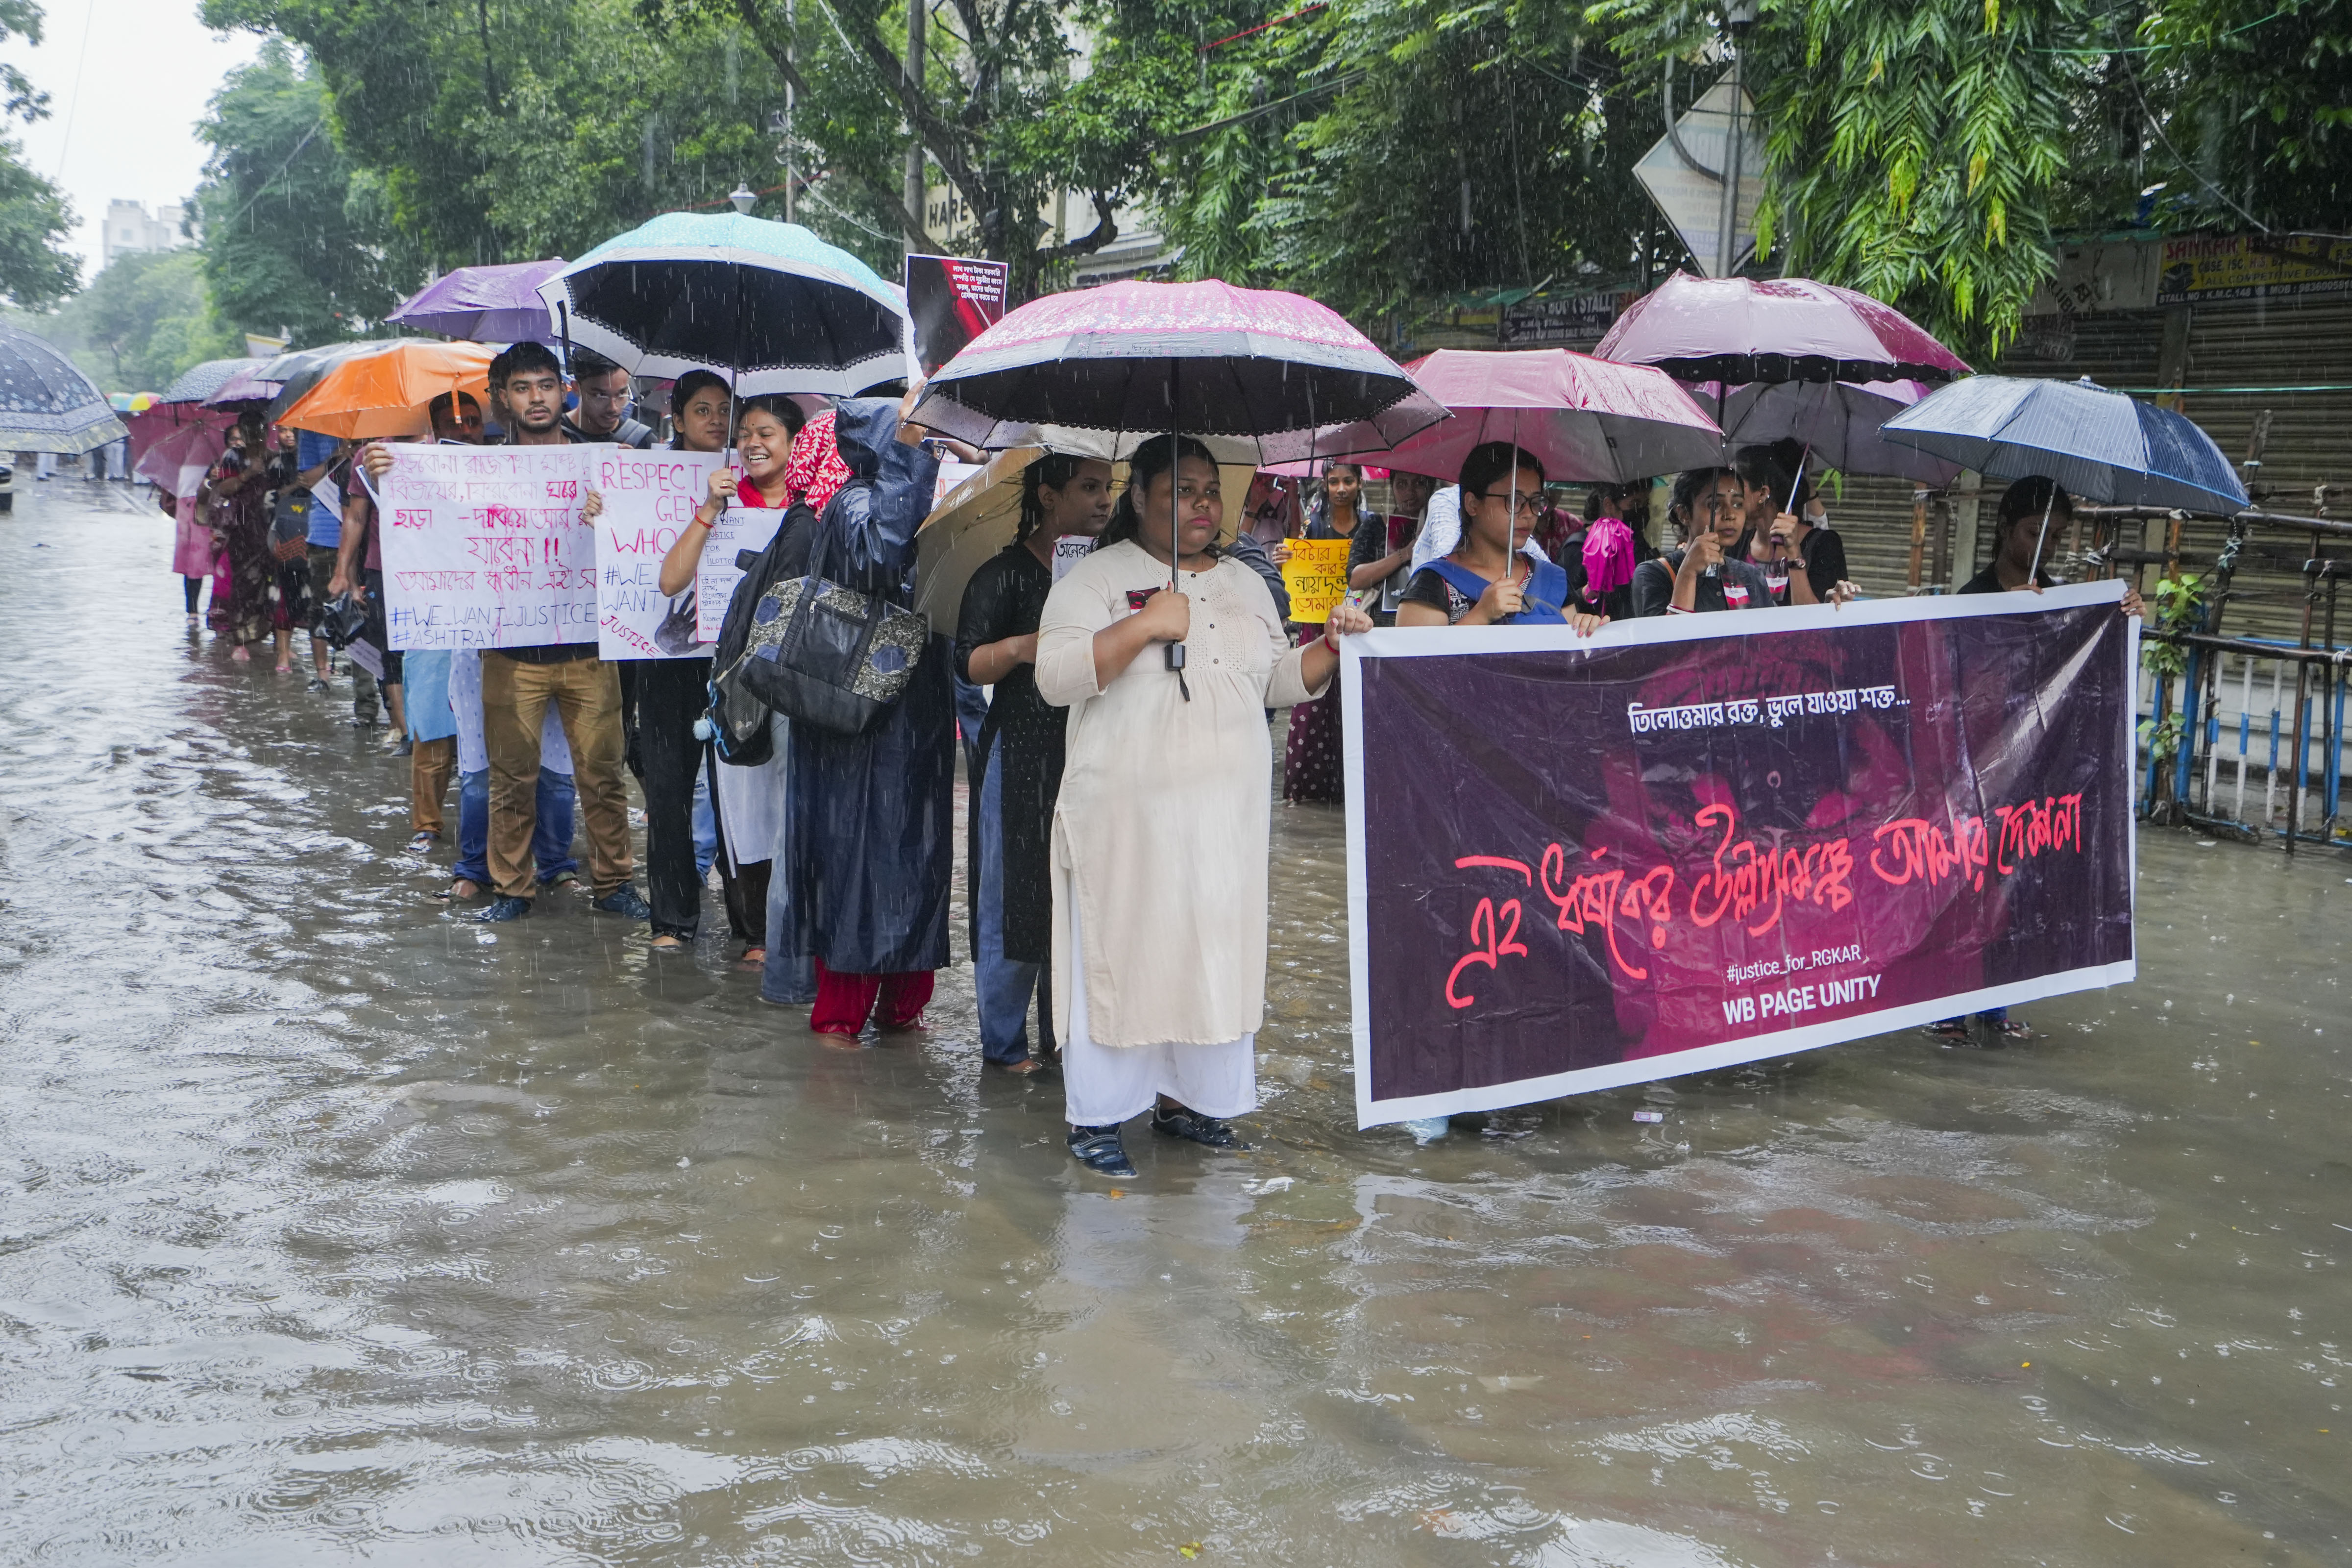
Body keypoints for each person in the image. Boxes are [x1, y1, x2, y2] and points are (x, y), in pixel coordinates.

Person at [1036, 433, 1373, 1177]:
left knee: (1207, 951)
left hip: (1225, 821)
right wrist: (1145, 624)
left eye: (1209, 490)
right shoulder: (1097, 578)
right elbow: (1055, 677)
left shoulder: (1246, 583)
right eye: (1182, 489)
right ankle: (1098, 1119)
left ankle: (1189, 1104)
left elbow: (1276, 681)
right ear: (1140, 497)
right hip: (1126, 818)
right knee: (1122, 951)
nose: (1200, 504)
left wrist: (1336, 645)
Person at [370, 343, 643, 926]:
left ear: (563, 390)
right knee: (510, 778)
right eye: (522, 388)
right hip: (507, 652)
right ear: (502, 398)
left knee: (602, 776)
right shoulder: (474, 469)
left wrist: (616, 507)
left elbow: (639, 541)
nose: (536, 397)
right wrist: (386, 474)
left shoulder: (605, 462)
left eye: (545, 385)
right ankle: (513, 887)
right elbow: (426, 524)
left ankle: (615, 880)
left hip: (590, 649)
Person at [1927, 476, 2144, 1045]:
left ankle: (1996, 1007)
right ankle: (1949, 1005)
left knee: (2014, 889)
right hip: (1974, 769)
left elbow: (2090, 678)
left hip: (2034, 773)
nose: (2046, 545)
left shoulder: (2067, 607)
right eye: (2034, 531)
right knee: (1967, 884)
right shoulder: (1972, 600)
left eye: (2058, 535)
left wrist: (2126, 616)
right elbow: (1950, 691)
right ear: (2005, 529)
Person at [773, 392, 952, 1037]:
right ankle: (843, 1020)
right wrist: (911, 455)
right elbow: (883, 555)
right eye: (907, 438)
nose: (925, 448)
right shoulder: (852, 506)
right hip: (855, 726)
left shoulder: (917, 501)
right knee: (856, 863)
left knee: (913, 859)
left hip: (914, 722)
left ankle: (903, 1004)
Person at [954, 452, 1115, 1075]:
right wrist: (1024, 647)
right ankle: (1004, 1046)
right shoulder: (1003, 575)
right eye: (1089, 487)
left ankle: (1064, 1036)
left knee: (1080, 897)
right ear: (1048, 496)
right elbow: (966, 664)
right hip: (1018, 751)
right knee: (1011, 893)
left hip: (1091, 752)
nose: (1104, 500)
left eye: (1110, 488)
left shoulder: (1113, 576)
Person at [621, 369, 734, 952]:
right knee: (667, 792)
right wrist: (602, 507)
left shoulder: (757, 469)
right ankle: (672, 919)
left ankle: (750, 923)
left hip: (734, 662)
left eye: (724, 409)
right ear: (678, 415)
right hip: (662, 658)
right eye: (702, 410)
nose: (715, 420)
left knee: (739, 793)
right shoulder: (639, 475)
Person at [339, 393, 485, 748]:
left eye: (471, 421)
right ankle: (408, 731)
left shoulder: (464, 454)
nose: (463, 430)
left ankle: (450, 730)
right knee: (393, 648)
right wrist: (343, 571)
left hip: (449, 568)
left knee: (446, 650)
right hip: (387, 566)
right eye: (453, 423)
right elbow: (356, 517)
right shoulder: (371, 455)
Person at [1396, 442, 1609, 634]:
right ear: (1472, 504)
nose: (1528, 514)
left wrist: (1585, 630)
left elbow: (1570, 665)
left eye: (1535, 502)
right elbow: (1411, 671)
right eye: (1514, 500)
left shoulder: (1553, 579)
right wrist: (1480, 616)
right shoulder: (1433, 583)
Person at [434, 649, 582, 901]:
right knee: (479, 772)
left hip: (554, 647)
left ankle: (555, 865)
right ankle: (475, 869)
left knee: (555, 768)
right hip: (476, 655)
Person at [1274, 461, 1362, 804]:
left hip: (1358, 626)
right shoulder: (1313, 527)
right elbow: (1296, 575)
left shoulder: (1373, 526)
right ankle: (1308, 792)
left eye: (1348, 481)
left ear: (1358, 485)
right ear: (1325, 485)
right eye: (1334, 482)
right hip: (1317, 625)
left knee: (1352, 705)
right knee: (1312, 704)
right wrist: (1286, 559)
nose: (1341, 489)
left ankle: (1350, 792)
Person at [198, 411, 290, 665]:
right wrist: (247, 474)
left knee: (273, 584)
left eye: (258, 428)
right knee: (244, 584)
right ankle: (240, 639)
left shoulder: (276, 458)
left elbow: (283, 487)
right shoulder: (233, 456)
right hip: (242, 528)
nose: (254, 434)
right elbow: (224, 488)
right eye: (248, 428)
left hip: (271, 526)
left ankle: (274, 636)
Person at [1629, 466, 1778, 617]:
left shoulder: (1751, 576)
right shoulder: (1653, 574)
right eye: (1715, 505)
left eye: (1738, 504)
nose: (1730, 515)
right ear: (1684, 514)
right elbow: (1665, 640)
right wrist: (1688, 573)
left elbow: (1769, 637)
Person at [1734, 440, 1851, 605]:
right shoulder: (1737, 542)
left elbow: (1813, 623)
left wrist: (1794, 553)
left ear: (1762, 494)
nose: (1729, 493)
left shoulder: (1824, 545)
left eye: (1737, 485)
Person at [1558, 483, 1658, 623]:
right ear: (1609, 505)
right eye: (1634, 504)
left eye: (1644, 503)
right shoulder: (1577, 548)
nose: (1640, 510)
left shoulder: (1637, 544)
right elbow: (1560, 603)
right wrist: (1590, 591)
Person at [1348, 468, 1436, 626]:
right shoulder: (1376, 525)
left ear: (1430, 486)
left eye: (1419, 484)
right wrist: (1404, 555)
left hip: (1425, 622)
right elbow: (1355, 580)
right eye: (1402, 484)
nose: (1410, 492)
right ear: (1392, 486)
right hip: (1377, 626)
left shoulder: (1441, 529)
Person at [564, 349, 657, 448]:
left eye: (621, 394)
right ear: (576, 388)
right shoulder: (554, 434)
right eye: (601, 395)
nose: (613, 408)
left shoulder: (644, 441)